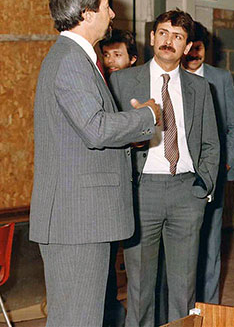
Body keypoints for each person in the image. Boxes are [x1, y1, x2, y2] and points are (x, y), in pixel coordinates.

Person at [30, 0, 159, 327]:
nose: (113, 13)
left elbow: (84, 131)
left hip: (82, 218)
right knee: (77, 320)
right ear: (87, 14)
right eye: (105, 6)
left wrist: (129, 135)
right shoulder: (71, 60)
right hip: (77, 220)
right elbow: (96, 129)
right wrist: (147, 115)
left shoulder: (75, 58)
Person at [109, 9, 220, 326]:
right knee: (140, 287)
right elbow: (110, 136)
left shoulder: (201, 88)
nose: (168, 41)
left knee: (184, 287)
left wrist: (203, 187)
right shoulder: (122, 81)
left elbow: (211, 143)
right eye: (163, 33)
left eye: (178, 36)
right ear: (152, 37)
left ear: (188, 48)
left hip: (187, 192)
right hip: (143, 193)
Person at [181, 20, 234, 304]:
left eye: (199, 47)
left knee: (209, 246)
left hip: (214, 179)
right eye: (190, 47)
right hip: (177, 178)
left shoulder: (221, 79)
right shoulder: (169, 79)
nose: (194, 53)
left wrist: (226, 164)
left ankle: (207, 309)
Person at [98, 27, 139, 327]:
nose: (111, 60)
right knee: (107, 264)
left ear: (133, 59)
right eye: (107, 54)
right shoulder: (98, 86)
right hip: (107, 189)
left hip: (137, 183)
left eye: (117, 55)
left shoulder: (139, 91)